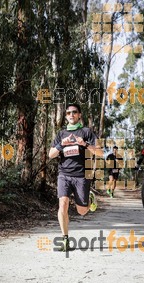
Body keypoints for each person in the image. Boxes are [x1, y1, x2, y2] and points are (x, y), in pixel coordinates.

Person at [49, 103, 102, 251]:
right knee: (63, 204)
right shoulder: (61, 134)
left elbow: (100, 152)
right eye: (68, 113)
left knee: (82, 211)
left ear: (79, 115)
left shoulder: (86, 132)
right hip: (64, 174)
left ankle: (89, 198)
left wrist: (84, 144)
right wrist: (61, 145)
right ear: (66, 116)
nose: (71, 115)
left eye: (74, 112)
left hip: (82, 176)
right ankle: (65, 239)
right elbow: (50, 154)